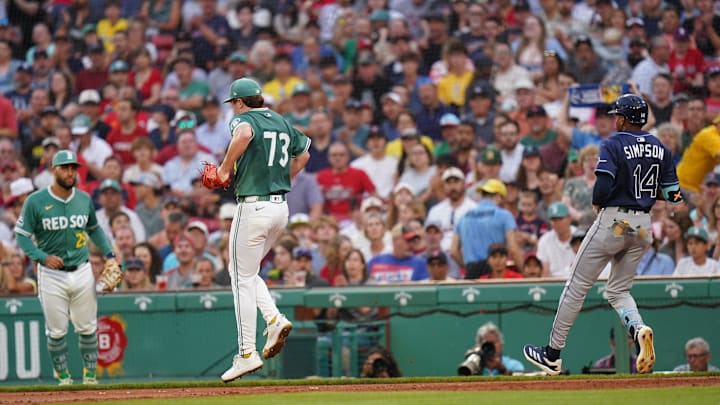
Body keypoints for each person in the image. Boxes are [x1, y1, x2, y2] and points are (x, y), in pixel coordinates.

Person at [523, 94, 684, 376]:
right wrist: (642, 193)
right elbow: (673, 195)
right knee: (618, 290)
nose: (614, 119)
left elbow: (601, 186)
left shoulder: (613, 143)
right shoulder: (661, 147)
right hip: (643, 226)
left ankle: (552, 354)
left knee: (576, 285)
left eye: (617, 115)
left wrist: (599, 203)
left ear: (623, 117)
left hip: (616, 220)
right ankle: (637, 329)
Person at [209, 78, 311, 383]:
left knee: (239, 278)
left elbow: (242, 134)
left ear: (239, 102)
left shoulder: (243, 119)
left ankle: (246, 353)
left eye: (233, 104)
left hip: (253, 207)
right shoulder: (280, 120)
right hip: (280, 208)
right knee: (246, 273)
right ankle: (274, 319)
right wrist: (281, 178)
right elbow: (304, 154)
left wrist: (225, 168)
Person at [14, 150, 117, 385]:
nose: (70, 172)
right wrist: (41, 256)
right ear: (54, 170)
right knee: (57, 331)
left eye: (73, 168)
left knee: (88, 327)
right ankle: (64, 378)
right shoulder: (35, 200)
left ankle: (90, 378)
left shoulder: (84, 199)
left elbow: (94, 229)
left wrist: (110, 255)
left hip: (82, 269)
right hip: (51, 274)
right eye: (65, 168)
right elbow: (21, 236)